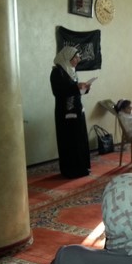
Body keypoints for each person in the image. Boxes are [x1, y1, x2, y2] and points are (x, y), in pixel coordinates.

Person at [50, 47, 92, 178]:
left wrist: (85, 88)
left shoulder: (71, 71)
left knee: (79, 138)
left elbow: (75, 91)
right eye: (76, 58)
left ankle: (82, 167)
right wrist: (76, 86)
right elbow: (58, 92)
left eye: (78, 58)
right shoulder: (57, 72)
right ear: (67, 58)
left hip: (77, 110)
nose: (78, 60)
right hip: (65, 113)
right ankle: (71, 170)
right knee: (69, 141)